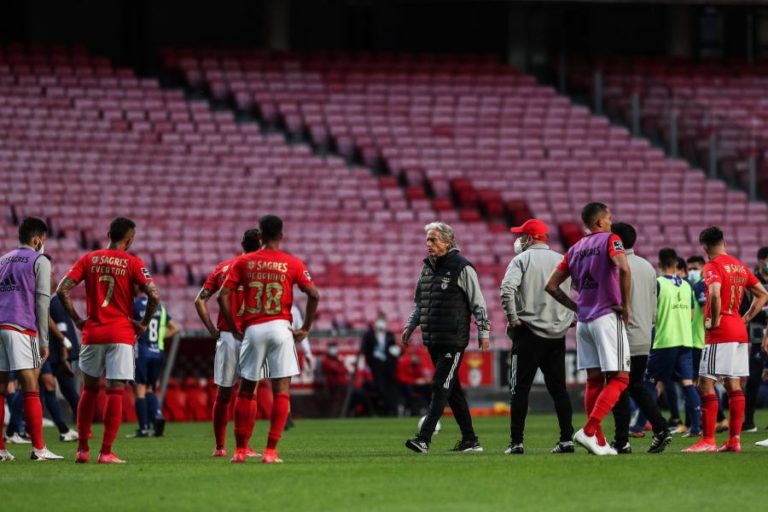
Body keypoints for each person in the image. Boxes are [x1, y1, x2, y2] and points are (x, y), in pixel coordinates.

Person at [57, 217, 160, 464]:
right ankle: (106, 452)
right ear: (130, 238)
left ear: (108, 234)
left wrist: (78, 320)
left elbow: (62, 289)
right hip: (120, 333)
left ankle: (82, 449)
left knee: (89, 391)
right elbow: (154, 295)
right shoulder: (133, 262)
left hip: (92, 332)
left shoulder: (89, 258)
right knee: (115, 391)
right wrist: (144, 323)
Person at [219, 214, 320, 464]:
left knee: (246, 390)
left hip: (253, 329)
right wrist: (305, 327)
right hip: (281, 328)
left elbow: (223, 296)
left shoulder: (244, 262)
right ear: (281, 236)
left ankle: (240, 450)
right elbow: (314, 294)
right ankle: (270, 452)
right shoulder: (292, 263)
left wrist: (233, 327)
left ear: (260, 236)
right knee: (281, 392)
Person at [545, 202, 630, 456]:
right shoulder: (610, 239)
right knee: (621, 377)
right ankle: (590, 430)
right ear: (600, 222)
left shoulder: (574, 249)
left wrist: (577, 306)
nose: (612, 222)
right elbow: (624, 268)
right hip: (606, 316)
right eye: (609, 218)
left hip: (584, 321)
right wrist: (625, 305)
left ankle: (600, 442)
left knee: (594, 380)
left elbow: (551, 286)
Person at [403, 222, 491, 454]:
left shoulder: (463, 268)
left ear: (448, 241)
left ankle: (424, 438)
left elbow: (478, 303)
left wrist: (484, 331)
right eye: (427, 240)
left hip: (453, 338)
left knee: (441, 385)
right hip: (433, 338)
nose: (428, 245)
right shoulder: (426, 268)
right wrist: (410, 326)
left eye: (433, 240)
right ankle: (470, 440)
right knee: (452, 390)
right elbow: (420, 303)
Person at [683, 227, 768, 453]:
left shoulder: (713, 265)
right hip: (740, 332)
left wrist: (714, 318)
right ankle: (734, 440)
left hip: (721, 333)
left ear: (704, 246)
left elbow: (713, 293)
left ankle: (708, 440)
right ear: (724, 242)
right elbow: (763, 294)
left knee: (705, 383)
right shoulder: (739, 265)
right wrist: (746, 318)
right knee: (733, 384)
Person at [499, 218, 574, 455]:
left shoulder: (521, 259)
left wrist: (512, 318)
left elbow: (506, 289)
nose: (518, 239)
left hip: (528, 333)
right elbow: (576, 290)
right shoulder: (563, 259)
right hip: (556, 335)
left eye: (522, 235)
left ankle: (517, 443)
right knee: (559, 390)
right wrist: (570, 317)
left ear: (530, 238)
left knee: (519, 389)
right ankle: (566, 439)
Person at [193, 228, 261, 457]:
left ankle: (220, 447)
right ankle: (245, 445)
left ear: (242, 243)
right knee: (249, 393)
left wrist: (212, 329)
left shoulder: (223, 268)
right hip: (253, 334)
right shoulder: (263, 269)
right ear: (261, 245)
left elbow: (199, 300)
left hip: (227, 336)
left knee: (224, 392)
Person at [0, 217, 63, 462]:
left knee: (1, 389)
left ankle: (2, 449)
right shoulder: (40, 260)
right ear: (37, 239)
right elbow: (42, 301)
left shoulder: (2, 259)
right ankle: (39, 449)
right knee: (30, 387)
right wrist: (45, 341)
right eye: (43, 240)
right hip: (20, 326)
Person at [608, 224, 671, 454]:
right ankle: (661, 428)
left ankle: (621, 440)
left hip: (621, 335)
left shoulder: (614, 266)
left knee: (619, 388)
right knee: (635, 386)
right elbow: (654, 309)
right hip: (643, 336)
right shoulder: (647, 267)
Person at [646, 248, 701, 441]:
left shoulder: (658, 283)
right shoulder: (687, 285)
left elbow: (651, 312)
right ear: (677, 265)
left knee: (651, 381)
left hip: (665, 341)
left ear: (659, 265)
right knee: (687, 383)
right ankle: (696, 427)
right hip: (686, 340)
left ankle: (640, 425)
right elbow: (692, 314)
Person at [132, 293, 178, 437]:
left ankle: (143, 428)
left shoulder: (134, 305)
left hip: (142, 352)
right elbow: (174, 328)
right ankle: (158, 415)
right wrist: (158, 335)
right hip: (158, 352)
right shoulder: (160, 307)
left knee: (140, 388)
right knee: (150, 388)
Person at [742, 246, 768, 432]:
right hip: (757, 337)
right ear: (760, 261)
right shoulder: (751, 282)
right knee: (753, 380)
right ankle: (749, 421)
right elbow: (745, 310)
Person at [48, 291, 81, 426]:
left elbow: (62, 328)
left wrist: (64, 356)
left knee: (68, 389)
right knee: (65, 389)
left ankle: (83, 422)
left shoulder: (55, 303)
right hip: (57, 353)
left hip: (60, 353)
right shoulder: (55, 301)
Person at [362, 312, 401, 416]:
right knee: (380, 388)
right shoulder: (369, 334)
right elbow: (366, 350)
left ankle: (392, 410)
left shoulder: (389, 335)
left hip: (388, 366)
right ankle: (383, 409)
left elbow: (393, 350)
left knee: (390, 388)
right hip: (375, 365)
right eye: (380, 320)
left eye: (383, 320)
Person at [320, 342, 348, 417]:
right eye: (332, 347)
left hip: (342, 384)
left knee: (343, 401)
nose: (334, 350)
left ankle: (342, 415)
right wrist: (340, 368)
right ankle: (333, 416)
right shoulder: (326, 360)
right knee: (334, 401)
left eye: (335, 347)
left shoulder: (338, 359)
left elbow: (345, 370)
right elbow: (337, 370)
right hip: (333, 384)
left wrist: (340, 368)